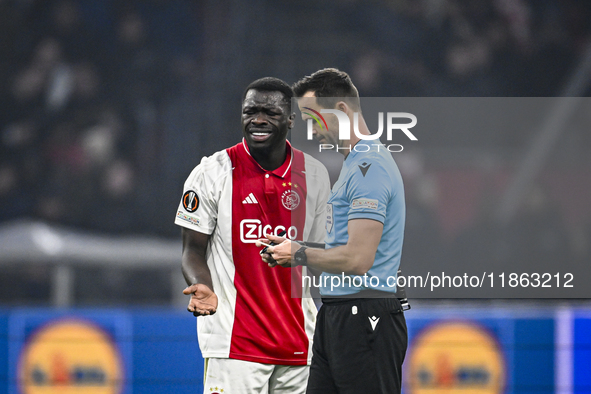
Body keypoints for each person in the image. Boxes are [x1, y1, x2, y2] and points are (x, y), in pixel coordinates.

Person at [174, 77, 330, 394]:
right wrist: (202, 285)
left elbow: (323, 253)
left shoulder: (314, 174)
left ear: (290, 119)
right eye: (250, 111)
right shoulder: (211, 172)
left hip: (299, 342)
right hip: (234, 346)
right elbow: (192, 250)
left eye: (269, 112)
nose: (257, 119)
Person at [258, 68, 408, 393]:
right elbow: (344, 246)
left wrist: (298, 254)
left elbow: (358, 259)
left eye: (313, 118)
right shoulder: (356, 166)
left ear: (341, 111)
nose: (311, 130)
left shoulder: (371, 169)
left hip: (365, 316)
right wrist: (296, 246)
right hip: (339, 315)